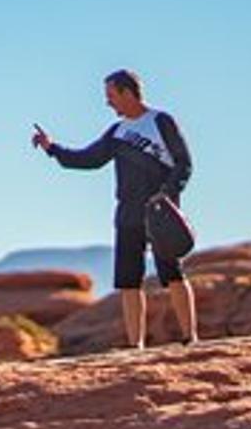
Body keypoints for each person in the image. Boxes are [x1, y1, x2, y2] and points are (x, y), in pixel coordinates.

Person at [31, 69, 198, 348]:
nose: (108, 103)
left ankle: (189, 337)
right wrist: (52, 148)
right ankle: (136, 346)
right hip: (128, 214)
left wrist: (166, 195)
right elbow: (88, 159)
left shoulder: (161, 121)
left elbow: (184, 164)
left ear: (127, 92)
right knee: (128, 281)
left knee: (172, 274)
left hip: (161, 213)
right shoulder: (118, 132)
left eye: (111, 96)